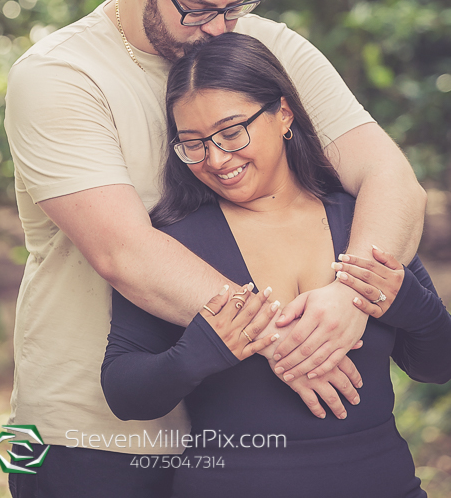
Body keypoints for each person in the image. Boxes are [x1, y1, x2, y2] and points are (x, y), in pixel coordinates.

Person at [4, 0, 426, 496]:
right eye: (198, 9)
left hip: (232, 436)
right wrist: (288, 338)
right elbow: (126, 252)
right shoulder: (61, 76)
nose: (220, 29)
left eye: (236, 6)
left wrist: (348, 296)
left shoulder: (265, 48)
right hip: (92, 435)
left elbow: (390, 177)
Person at [102, 32, 451, 497]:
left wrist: (403, 300)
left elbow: (437, 364)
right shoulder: (174, 244)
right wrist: (201, 352)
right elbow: (123, 393)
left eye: (231, 132)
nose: (216, 159)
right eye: (194, 143)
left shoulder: (361, 221)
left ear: (283, 113)